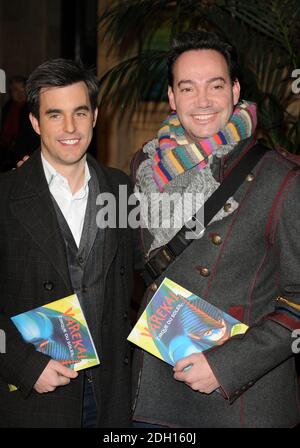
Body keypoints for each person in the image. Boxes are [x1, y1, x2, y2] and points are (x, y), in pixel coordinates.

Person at [131, 30, 300, 428]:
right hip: (154, 390)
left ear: (235, 90)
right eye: (187, 88)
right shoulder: (146, 166)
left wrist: (226, 366)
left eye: (216, 85)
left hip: (236, 400)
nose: (202, 101)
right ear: (172, 97)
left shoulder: (280, 177)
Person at [0, 59, 140, 428]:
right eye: (54, 115)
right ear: (35, 122)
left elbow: (149, 269)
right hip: (35, 396)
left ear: (95, 115)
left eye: (79, 113)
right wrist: (24, 364)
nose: (69, 128)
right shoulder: (5, 196)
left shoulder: (123, 189)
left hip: (112, 394)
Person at [0, 76, 39, 171]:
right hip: (7, 156)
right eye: (15, 90)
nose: (19, 93)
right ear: (10, 93)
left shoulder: (33, 109)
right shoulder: (7, 108)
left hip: (28, 156)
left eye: (22, 89)